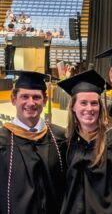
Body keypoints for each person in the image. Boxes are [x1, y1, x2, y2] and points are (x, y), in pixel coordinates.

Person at [57, 69, 112, 214]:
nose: (89, 108)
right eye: (83, 103)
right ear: (73, 108)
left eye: (94, 103)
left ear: (100, 107)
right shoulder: (67, 142)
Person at [0, 71, 66, 214]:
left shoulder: (60, 138)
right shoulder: (2, 141)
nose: (31, 103)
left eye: (36, 97)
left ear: (45, 100)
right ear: (13, 99)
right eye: (24, 96)